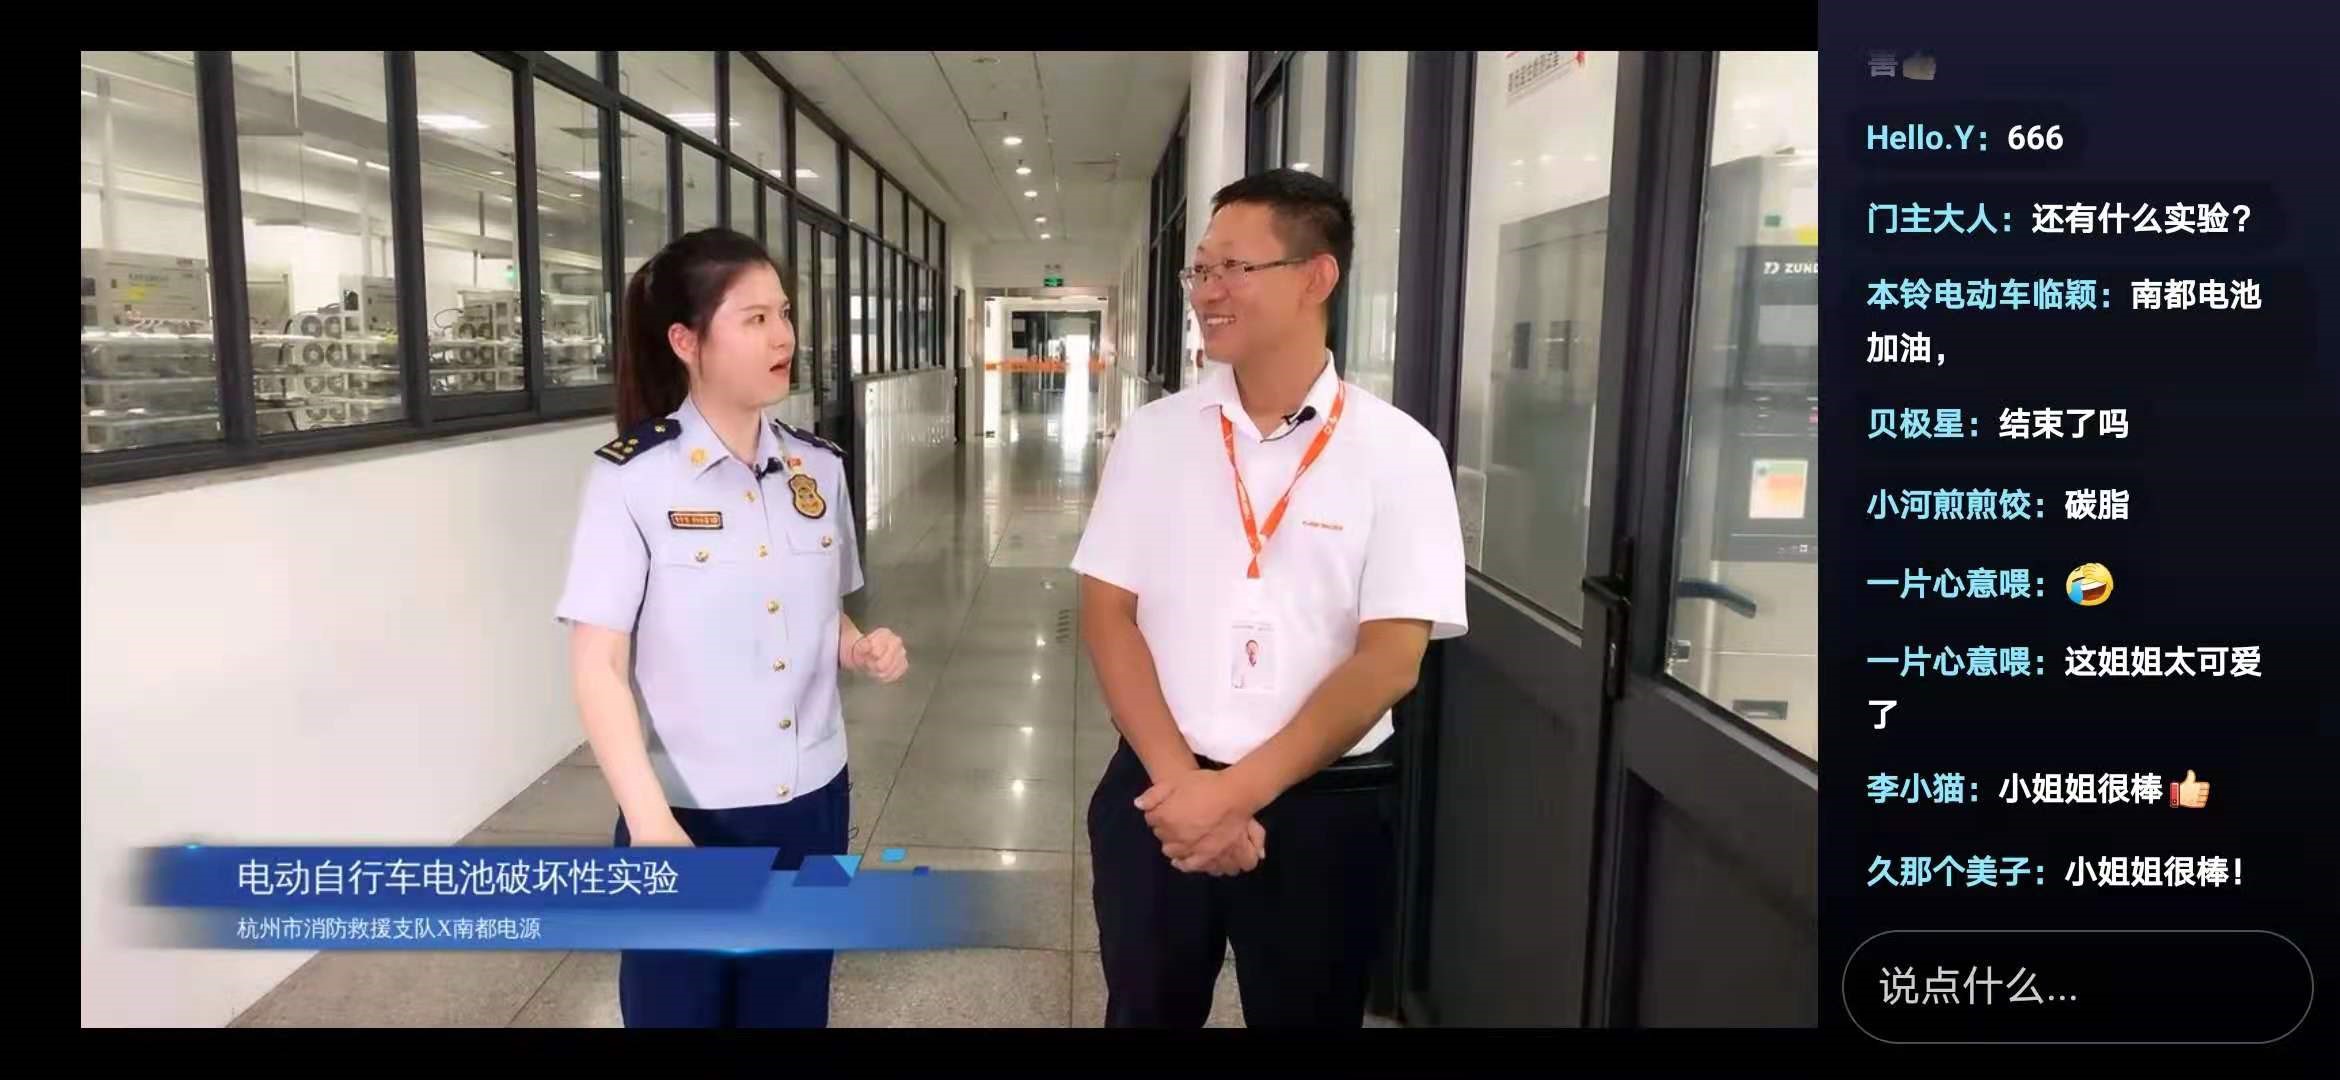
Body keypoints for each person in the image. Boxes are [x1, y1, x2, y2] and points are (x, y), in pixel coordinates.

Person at [1072, 169, 1468, 1027]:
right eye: (1200, 270)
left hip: (1323, 808)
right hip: (1159, 790)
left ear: (1316, 276)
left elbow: (1390, 661)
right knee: (1143, 1011)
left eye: (1233, 269)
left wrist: (1236, 794)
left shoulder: (1400, 452)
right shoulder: (1155, 436)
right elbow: (1107, 613)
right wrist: (1187, 789)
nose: (1206, 291)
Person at [554, 227, 910, 1028]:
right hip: (688, 814)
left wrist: (857, 645)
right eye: (754, 319)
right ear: (687, 342)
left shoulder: (820, 467)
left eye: (783, 313)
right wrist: (649, 824)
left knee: (793, 1007)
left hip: (814, 803)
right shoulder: (632, 480)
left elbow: (819, 603)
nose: (783, 337)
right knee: (677, 1011)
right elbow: (597, 665)